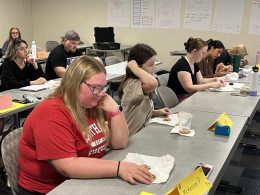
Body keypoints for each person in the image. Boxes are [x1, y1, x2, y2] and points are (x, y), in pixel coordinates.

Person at [18, 55, 153, 195]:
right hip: (51, 189)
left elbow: (119, 143)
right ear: (74, 84)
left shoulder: (92, 103)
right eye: (95, 87)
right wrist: (119, 168)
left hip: (83, 180)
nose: (100, 93)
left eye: (103, 87)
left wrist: (115, 110)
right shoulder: (51, 113)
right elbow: (67, 166)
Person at [118, 44, 171, 137]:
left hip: (139, 134)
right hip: (129, 138)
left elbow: (136, 111)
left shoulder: (140, 82)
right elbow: (153, 83)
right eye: (151, 64)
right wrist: (134, 68)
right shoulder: (132, 85)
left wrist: (155, 112)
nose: (155, 67)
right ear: (138, 67)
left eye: (155, 63)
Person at [167, 37, 226, 103]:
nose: (204, 56)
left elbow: (201, 81)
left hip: (189, 96)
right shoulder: (182, 66)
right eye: (202, 53)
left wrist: (215, 79)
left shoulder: (194, 63)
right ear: (194, 51)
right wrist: (210, 85)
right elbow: (189, 88)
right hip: (180, 98)